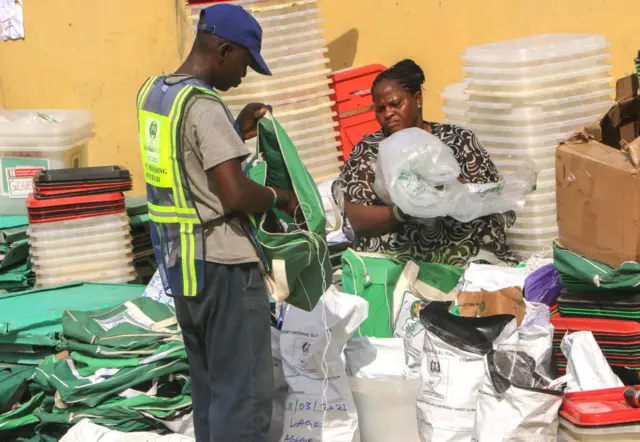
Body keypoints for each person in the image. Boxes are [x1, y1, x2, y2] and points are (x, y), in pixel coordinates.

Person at [136, 4, 297, 441]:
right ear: (224, 50)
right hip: (225, 267)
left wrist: (233, 128)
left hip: (185, 265)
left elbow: (186, 158)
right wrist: (280, 198)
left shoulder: (156, 95)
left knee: (212, 393)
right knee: (243, 397)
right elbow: (234, 193)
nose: (245, 77)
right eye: (246, 64)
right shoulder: (204, 106)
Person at [332, 59, 517, 266]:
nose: (388, 114)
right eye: (380, 109)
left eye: (395, 104)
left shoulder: (459, 140)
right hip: (402, 258)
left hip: (458, 249)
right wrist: (403, 210)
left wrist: (451, 191)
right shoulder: (369, 150)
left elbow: (490, 197)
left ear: (417, 99)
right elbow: (358, 220)